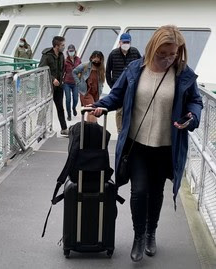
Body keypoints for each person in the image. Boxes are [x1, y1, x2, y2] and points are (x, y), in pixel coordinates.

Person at [90, 25, 203, 262]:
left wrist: (191, 117)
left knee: (156, 192)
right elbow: (116, 95)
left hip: (165, 147)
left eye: (172, 54)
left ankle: (152, 232)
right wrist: (102, 105)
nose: (167, 59)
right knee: (139, 192)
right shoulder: (135, 69)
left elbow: (195, 101)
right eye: (162, 54)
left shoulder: (182, 72)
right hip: (137, 144)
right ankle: (138, 236)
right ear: (153, 48)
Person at [106, 33, 141, 133]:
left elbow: (140, 67)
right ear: (120, 42)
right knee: (119, 110)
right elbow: (108, 71)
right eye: (124, 42)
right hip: (118, 87)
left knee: (132, 109)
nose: (126, 44)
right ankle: (120, 131)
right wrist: (112, 86)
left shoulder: (135, 52)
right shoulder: (113, 54)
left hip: (132, 86)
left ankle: (131, 129)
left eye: (128, 42)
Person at [39, 36, 68, 136]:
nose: (64, 47)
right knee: (45, 107)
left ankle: (64, 128)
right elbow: (41, 70)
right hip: (47, 86)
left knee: (60, 107)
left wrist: (62, 80)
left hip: (59, 86)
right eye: (62, 45)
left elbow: (63, 69)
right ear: (56, 46)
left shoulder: (61, 55)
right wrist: (52, 79)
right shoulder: (47, 55)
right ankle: (39, 128)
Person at [73, 50, 105, 123]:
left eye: (98, 58)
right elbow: (74, 72)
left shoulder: (101, 68)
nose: (96, 60)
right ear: (91, 58)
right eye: (95, 57)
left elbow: (101, 82)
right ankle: (94, 127)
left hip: (96, 93)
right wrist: (78, 83)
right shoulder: (85, 65)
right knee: (92, 110)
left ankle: (89, 128)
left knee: (90, 111)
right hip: (86, 93)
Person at [63, 44, 81, 121]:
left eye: (72, 51)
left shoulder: (78, 60)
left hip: (75, 83)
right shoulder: (65, 61)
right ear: (67, 51)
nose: (71, 52)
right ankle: (69, 114)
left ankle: (74, 108)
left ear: (75, 51)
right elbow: (62, 71)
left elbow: (81, 69)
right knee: (68, 99)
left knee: (76, 98)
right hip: (67, 82)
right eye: (70, 51)